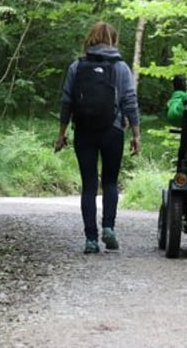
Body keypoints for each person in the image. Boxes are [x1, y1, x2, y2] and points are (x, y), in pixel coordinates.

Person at [54, 21, 140, 254]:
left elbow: (66, 102)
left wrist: (61, 134)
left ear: (90, 39)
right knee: (110, 182)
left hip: (84, 130)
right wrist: (135, 134)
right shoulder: (121, 67)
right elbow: (130, 101)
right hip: (112, 130)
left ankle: (91, 239)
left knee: (89, 185)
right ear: (113, 41)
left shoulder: (77, 66)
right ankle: (109, 227)